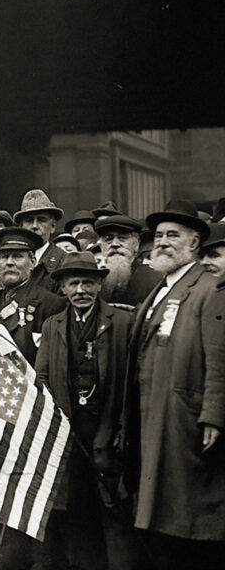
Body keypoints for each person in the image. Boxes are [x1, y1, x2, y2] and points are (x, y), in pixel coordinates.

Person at [122, 200, 225, 569]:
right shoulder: (158, 291)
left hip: (184, 417)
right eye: (159, 236)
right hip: (152, 415)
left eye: (173, 236)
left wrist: (213, 414)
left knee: (188, 520)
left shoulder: (209, 289)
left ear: (195, 243)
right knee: (159, 516)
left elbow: (220, 356)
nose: (163, 243)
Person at [35, 252, 139, 570]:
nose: (81, 290)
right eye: (73, 283)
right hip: (69, 433)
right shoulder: (53, 325)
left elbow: (133, 381)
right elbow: (41, 377)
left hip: (108, 430)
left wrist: (121, 427)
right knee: (76, 509)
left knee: (114, 508)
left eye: (88, 283)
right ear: (63, 288)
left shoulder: (122, 323)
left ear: (99, 285)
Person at [0, 228, 65, 366]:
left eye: (17, 256)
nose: (9, 262)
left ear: (33, 262)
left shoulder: (50, 303)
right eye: (4, 257)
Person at [94, 215, 162, 309]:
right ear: (101, 247)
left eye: (122, 238)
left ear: (136, 244)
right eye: (108, 239)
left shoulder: (156, 280)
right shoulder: (94, 282)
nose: (115, 244)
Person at [13, 189, 67, 293]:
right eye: (29, 220)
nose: (34, 226)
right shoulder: (9, 261)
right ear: (21, 227)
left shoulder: (64, 262)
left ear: (53, 226)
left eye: (41, 220)